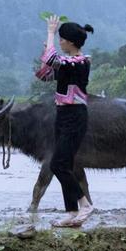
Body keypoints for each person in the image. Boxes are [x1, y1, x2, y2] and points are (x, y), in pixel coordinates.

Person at [35, 15, 95, 227]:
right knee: (65, 165)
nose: (59, 42)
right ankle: (71, 212)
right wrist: (47, 51)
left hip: (74, 116)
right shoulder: (68, 64)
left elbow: (54, 60)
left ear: (70, 42)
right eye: (58, 38)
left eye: (61, 39)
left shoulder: (79, 62)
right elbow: (43, 75)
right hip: (63, 115)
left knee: (58, 164)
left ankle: (85, 204)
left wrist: (50, 33)